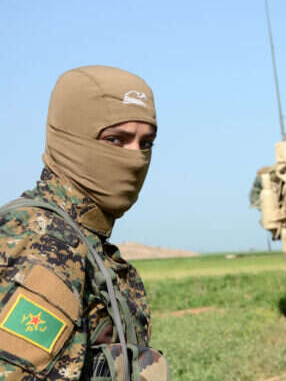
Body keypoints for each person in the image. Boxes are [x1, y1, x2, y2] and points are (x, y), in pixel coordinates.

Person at [0, 66, 169, 380]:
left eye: (146, 144)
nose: (135, 159)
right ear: (70, 139)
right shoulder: (44, 245)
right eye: (116, 140)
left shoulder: (83, 239)